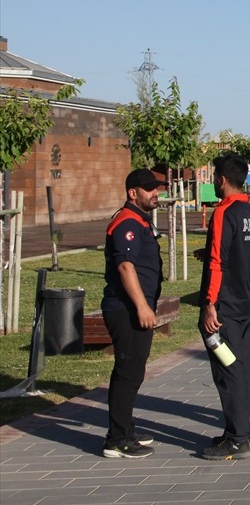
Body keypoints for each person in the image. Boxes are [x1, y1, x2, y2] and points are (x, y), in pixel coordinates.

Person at [198, 153, 250, 460]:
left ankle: (238, 438)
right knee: (242, 368)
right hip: (247, 303)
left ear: (221, 180)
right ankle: (236, 430)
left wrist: (210, 304)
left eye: (214, 177)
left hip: (224, 307)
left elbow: (217, 261)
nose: (213, 182)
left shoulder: (225, 212)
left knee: (228, 369)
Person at [99, 168, 166, 459]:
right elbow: (125, 267)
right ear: (132, 193)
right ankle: (116, 440)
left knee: (133, 372)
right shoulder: (127, 221)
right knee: (128, 373)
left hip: (134, 307)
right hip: (125, 309)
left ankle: (125, 428)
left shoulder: (139, 220)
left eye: (157, 188)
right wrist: (141, 306)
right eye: (150, 189)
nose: (156, 193)